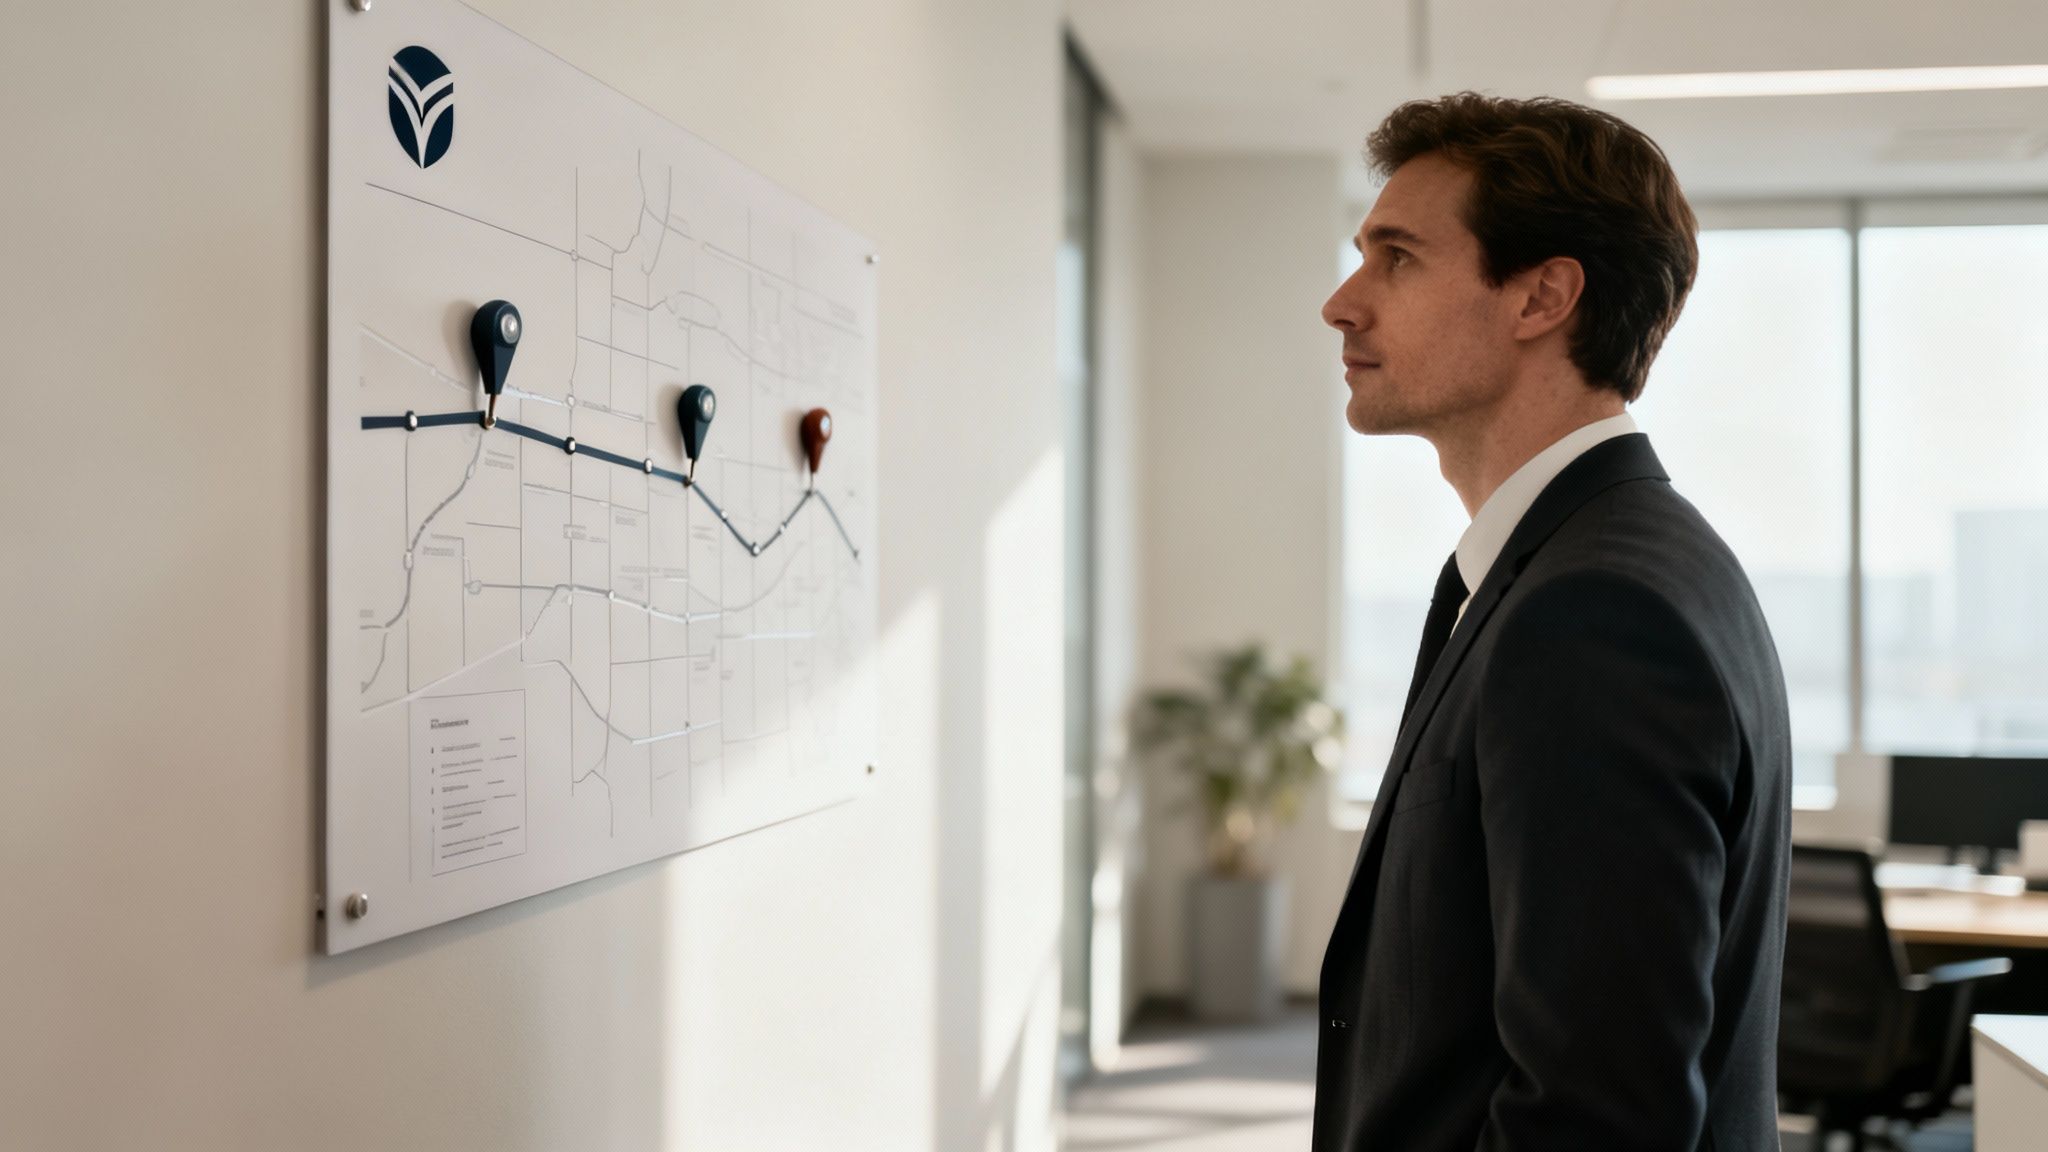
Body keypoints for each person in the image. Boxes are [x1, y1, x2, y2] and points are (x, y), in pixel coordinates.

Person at [1314, 92, 1792, 1151]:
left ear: (1540, 297)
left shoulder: (1596, 612)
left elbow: (1595, 1120)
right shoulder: (1602, 561)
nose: (1341, 304)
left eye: (1395, 258)